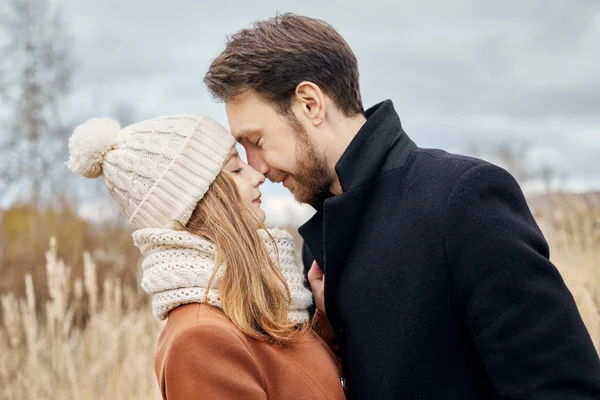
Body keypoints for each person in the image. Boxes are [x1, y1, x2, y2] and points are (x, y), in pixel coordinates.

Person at [203, 12, 600, 399]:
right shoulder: (318, 245)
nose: (256, 167)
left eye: (256, 140)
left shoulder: (463, 199)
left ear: (310, 104)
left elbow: (562, 386)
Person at [66, 115, 346, 399]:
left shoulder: (261, 307)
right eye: (236, 169)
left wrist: (325, 320)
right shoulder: (199, 340)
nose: (257, 175)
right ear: (198, 202)